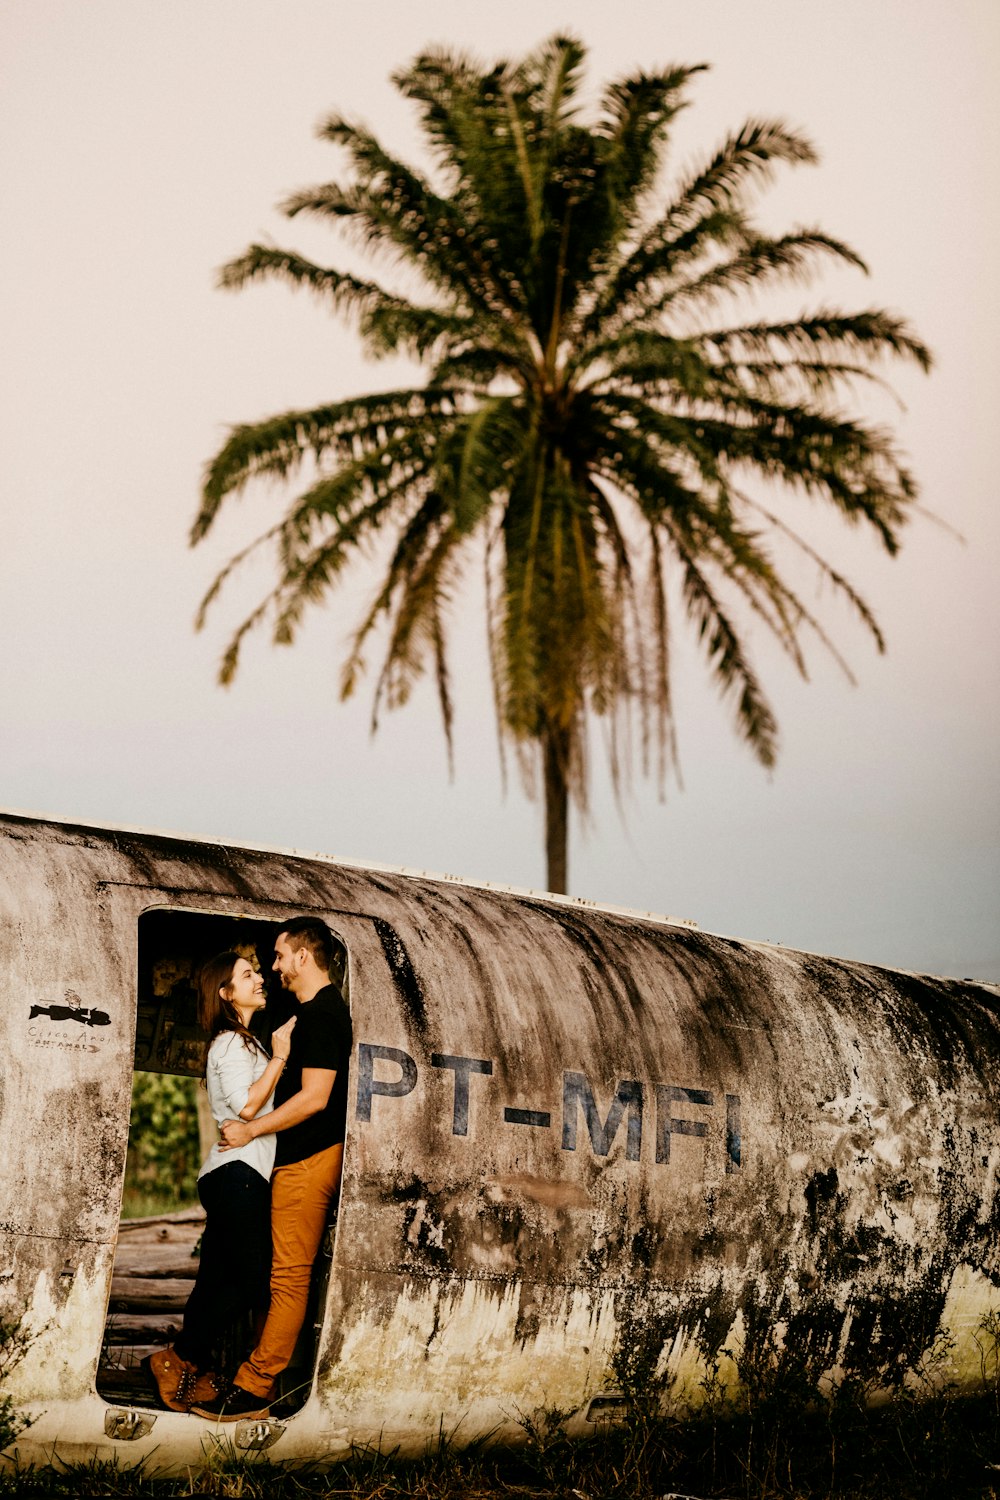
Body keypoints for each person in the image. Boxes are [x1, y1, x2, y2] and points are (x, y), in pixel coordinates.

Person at [193, 917, 352, 1422]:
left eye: (280, 957)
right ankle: (223, 1371)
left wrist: (252, 1131)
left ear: (303, 957)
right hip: (292, 1162)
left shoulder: (324, 1013)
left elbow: (316, 1098)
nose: (275, 967)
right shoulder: (298, 1018)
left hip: (307, 1162)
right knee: (263, 1275)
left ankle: (255, 1385)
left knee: (284, 1278)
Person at [142, 951, 295, 1413]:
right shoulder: (231, 1043)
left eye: (258, 972)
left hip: (233, 1174)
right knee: (255, 1283)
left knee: (214, 1281)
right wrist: (282, 1057)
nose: (260, 978)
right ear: (226, 994)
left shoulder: (246, 1043)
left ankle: (185, 1366)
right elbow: (247, 1108)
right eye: (247, 975)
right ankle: (180, 1358)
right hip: (238, 1176)